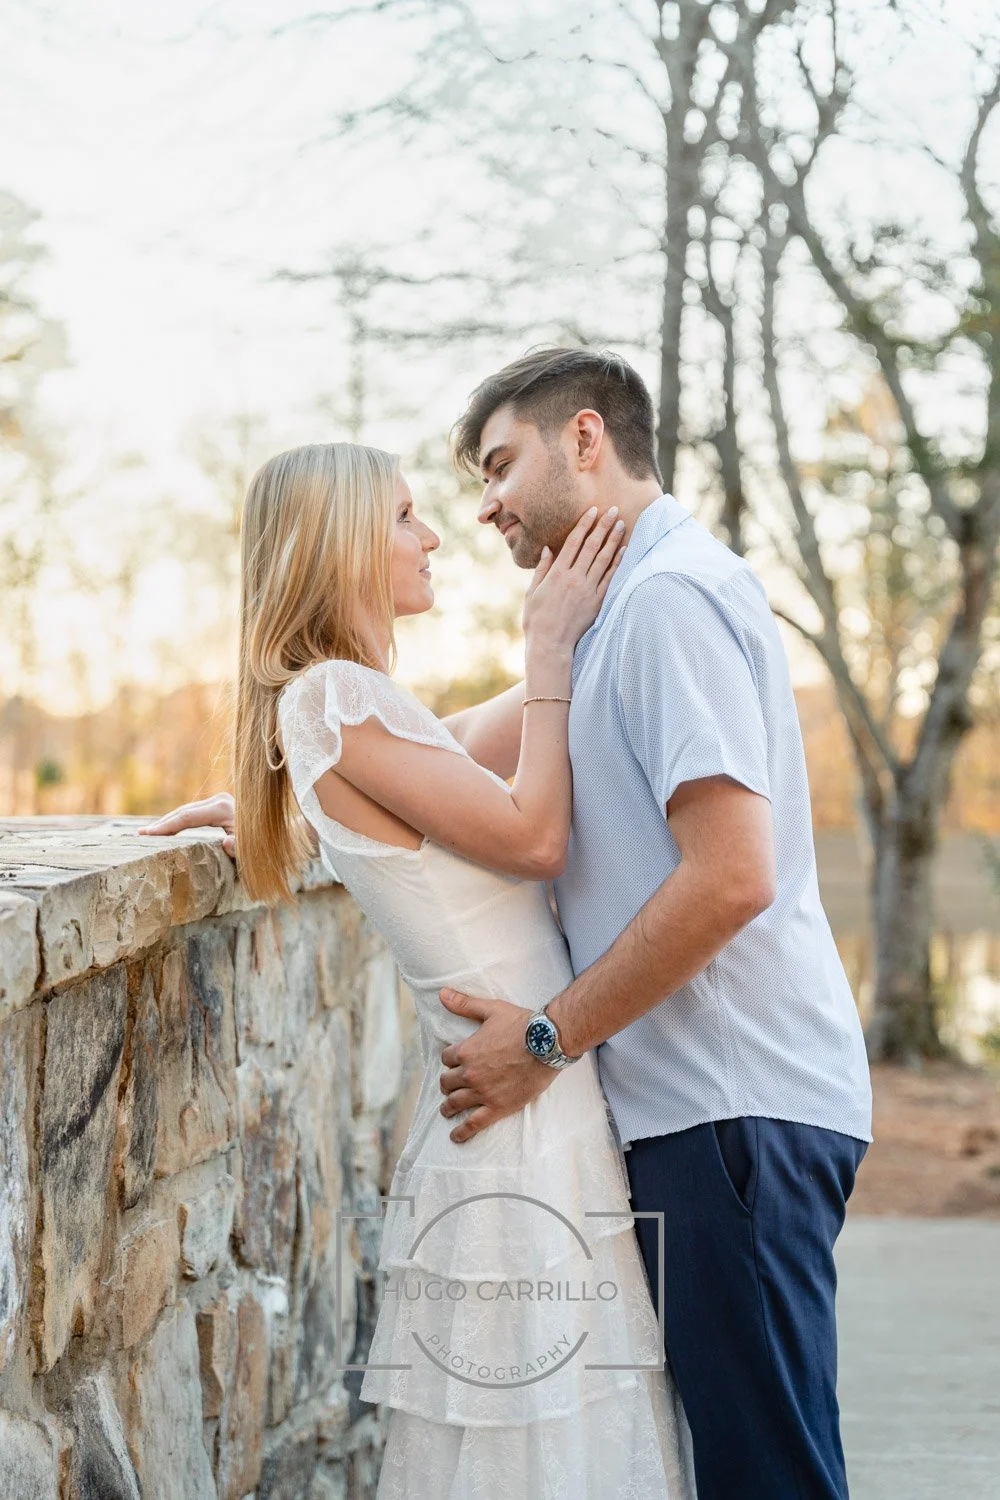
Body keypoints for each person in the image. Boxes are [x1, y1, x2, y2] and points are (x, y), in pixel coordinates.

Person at [143, 346, 873, 1500]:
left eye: (495, 467)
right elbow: (435, 766)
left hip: (727, 1105)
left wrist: (544, 1037)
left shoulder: (665, 601)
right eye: (417, 508)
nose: (467, 515)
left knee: (759, 1469)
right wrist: (282, 797)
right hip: (651, 1109)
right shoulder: (611, 612)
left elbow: (728, 877)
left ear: (584, 440)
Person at [142, 439, 695, 1498]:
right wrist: (545, 650)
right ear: (341, 542)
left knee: (568, 1430)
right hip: (512, 1113)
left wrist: (299, 815)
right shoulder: (334, 699)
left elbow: (441, 772)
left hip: (529, 1104)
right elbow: (536, 841)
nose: (433, 535)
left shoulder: (349, 707)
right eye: (404, 517)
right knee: (534, 1443)